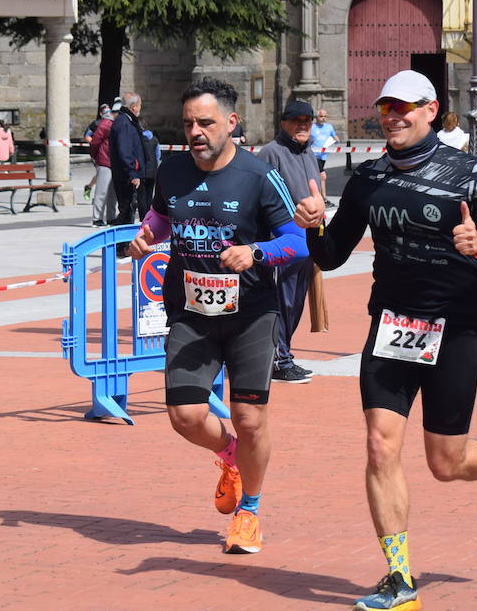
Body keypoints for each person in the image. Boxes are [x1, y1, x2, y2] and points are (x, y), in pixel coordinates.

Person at [292, 70, 477, 611]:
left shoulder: (469, 174)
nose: (392, 117)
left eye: (403, 107)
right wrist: (314, 225)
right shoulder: (369, 177)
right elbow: (330, 256)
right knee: (380, 446)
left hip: (456, 325)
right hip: (393, 323)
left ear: (430, 110)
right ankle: (399, 577)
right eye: (385, 108)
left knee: (445, 462)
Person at [127, 77, 308, 555]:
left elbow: (297, 242)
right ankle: (229, 455)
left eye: (205, 123)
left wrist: (256, 253)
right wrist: (146, 235)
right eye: (189, 123)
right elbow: (161, 217)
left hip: (251, 315)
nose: (195, 132)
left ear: (231, 122)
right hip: (191, 311)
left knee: (250, 419)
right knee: (185, 416)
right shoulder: (171, 170)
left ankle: (249, 511)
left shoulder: (258, 176)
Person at [255, 99, 322, 384]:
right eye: (297, 121)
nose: (303, 125)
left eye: (307, 121)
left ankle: (283, 355)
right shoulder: (271, 152)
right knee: (281, 302)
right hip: (281, 241)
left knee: (295, 304)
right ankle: (280, 360)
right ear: (284, 123)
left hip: (308, 241)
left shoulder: (308, 152)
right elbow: (259, 196)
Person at [109, 92, 146, 226]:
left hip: (126, 174)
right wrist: (132, 173)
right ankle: (122, 239)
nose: (140, 108)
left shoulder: (127, 121)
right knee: (127, 210)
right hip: (125, 176)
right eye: (140, 105)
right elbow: (125, 151)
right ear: (134, 107)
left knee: (128, 210)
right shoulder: (124, 122)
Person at [88, 106, 116, 227]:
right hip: (104, 160)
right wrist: (95, 156)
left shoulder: (117, 123)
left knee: (112, 193)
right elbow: (95, 142)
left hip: (114, 162)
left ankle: (111, 217)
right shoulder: (105, 124)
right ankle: (97, 218)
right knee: (101, 191)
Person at [309, 108, 338, 209]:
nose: (323, 118)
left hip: (323, 156)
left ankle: (317, 197)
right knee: (322, 176)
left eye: (325, 116)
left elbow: (335, 138)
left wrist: (335, 140)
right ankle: (323, 199)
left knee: (316, 177)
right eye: (321, 116)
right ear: (316, 117)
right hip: (313, 155)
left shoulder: (329, 127)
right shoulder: (312, 127)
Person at [82, 104, 112, 202]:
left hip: (108, 154)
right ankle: (98, 197)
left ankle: (89, 187)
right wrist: (97, 143)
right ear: (101, 113)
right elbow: (86, 136)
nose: (108, 113)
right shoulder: (96, 124)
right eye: (105, 112)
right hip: (98, 153)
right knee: (102, 174)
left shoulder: (113, 122)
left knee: (102, 174)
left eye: (109, 111)